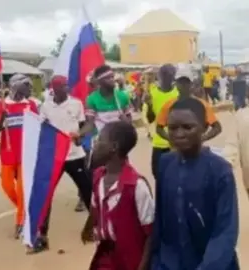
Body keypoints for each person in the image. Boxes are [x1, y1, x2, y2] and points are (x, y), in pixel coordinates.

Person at [150, 98, 239, 269]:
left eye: (187, 127)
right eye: (173, 128)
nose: (179, 134)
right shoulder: (165, 163)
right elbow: (160, 219)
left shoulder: (220, 171)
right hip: (171, 263)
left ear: (204, 128)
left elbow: (225, 231)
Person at [33, 75, 94, 253]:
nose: (67, 88)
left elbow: (85, 124)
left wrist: (80, 136)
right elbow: (41, 128)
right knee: (46, 194)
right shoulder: (45, 106)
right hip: (55, 157)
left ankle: (95, 227)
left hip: (75, 156)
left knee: (88, 190)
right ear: (54, 88)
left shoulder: (76, 104)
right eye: (63, 86)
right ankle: (42, 236)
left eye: (67, 85)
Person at [74, 65, 132, 240]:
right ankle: (99, 221)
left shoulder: (122, 97)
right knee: (99, 183)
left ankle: (121, 219)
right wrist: (80, 134)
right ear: (98, 82)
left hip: (120, 148)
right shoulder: (92, 99)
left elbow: (129, 123)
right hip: (101, 148)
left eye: (113, 77)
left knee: (123, 182)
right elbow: (90, 124)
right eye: (108, 78)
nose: (112, 80)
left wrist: (126, 121)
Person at [86, 121, 153, 270]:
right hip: (105, 255)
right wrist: (88, 227)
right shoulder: (98, 177)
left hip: (130, 258)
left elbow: (150, 232)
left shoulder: (136, 186)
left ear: (114, 147)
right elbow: (95, 206)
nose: (95, 144)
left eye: (99, 140)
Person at [0, 73, 38, 238]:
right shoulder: (1, 105)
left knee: (22, 188)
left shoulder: (31, 105)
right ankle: (25, 208)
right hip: (8, 152)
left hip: (26, 153)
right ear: (16, 86)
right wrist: (2, 118)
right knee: (7, 186)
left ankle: (20, 220)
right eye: (27, 85)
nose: (30, 89)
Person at [156, 68, 222, 143]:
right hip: (177, 150)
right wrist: (171, 139)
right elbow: (159, 128)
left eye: (186, 82)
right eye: (180, 82)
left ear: (191, 84)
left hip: (196, 149)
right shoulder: (169, 105)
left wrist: (202, 138)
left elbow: (217, 127)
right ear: (176, 84)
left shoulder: (202, 105)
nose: (183, 85)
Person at [145, 64, 178, 180]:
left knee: (175, 176)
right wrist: (149, 105)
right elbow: (150, 118)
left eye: (169, 75)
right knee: (157, 174)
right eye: (164, 75)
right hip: (159, 142)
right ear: (159, 76)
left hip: (176, 144)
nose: (166, 78)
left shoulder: (178, 94)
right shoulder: (153, 93)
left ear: (173, 77)